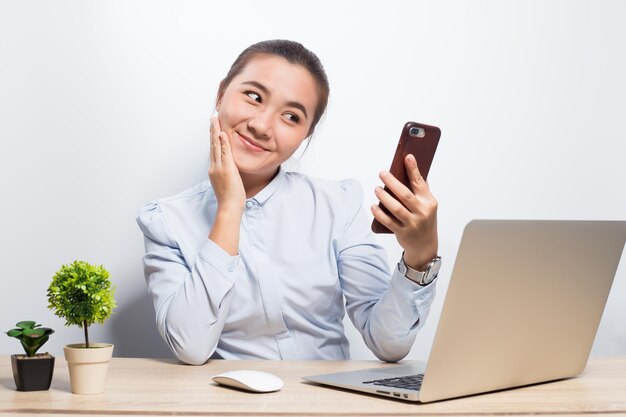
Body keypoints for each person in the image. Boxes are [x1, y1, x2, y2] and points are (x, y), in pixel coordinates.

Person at [136, 39, 440, 365]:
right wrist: (229, 209)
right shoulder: (167, 220)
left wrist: (419, 258)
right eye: (253, 97)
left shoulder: (337, 206)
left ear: (306, 134)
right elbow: (190, 347)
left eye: (291, 116)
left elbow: (388, 343)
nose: (261, 126)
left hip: (326, 403)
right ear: (221, 94)